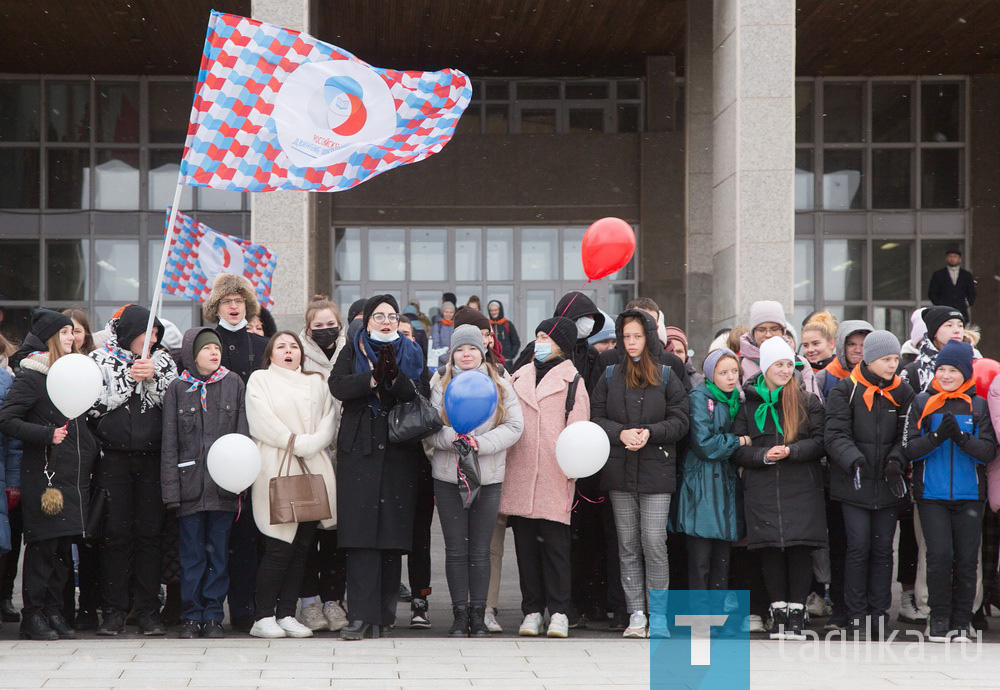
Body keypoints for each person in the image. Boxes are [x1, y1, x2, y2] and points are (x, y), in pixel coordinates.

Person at [329, 295, 428, 640]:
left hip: (399, 452)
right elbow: (337, 385)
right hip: (360, 450)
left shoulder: (412, 351)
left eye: (392, 316)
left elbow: (421, 393)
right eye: (379, 316)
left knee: (390, 537)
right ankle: (359, 617)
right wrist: (371, 380)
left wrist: (396, 379)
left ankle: (384, 617)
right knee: (359, 539)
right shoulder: (352, 348)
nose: (386, 321)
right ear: (368, 320)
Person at [591, 310, 689, 638]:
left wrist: (650, 432)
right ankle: (636, 613)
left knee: (654, 541)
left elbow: (680, 420)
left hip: (656, 470)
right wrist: (620, 433)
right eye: (626, 336)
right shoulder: (608, 375)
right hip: (619, 471)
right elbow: (596, 417)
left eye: (637, 336)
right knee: (628, 544)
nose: (631, 343)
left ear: (648, 337)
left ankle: (658, 614)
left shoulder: (666, 374)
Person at [0, 309, 97, 640]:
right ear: (52, 338)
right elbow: (8, 420)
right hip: (44, 475)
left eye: (74, 332)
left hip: (73, 474)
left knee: (61, 550)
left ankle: (54, 611)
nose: (73, 338)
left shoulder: (73, 374)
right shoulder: (32, 376)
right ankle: (34, 615)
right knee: (42, 547)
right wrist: (46, 434)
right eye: (67, 333)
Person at [426, 325, 524, 637]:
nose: (466, 354)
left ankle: (479, 614)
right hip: (448, 476)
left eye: (471, 348)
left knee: (481, 550)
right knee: (455, 549)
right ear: (452, 352)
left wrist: (481, 443)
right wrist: (456, 438)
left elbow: (515, 425)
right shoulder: (440, 382)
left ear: (481, 350)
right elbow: (428, 427)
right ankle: (458, 614)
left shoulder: (500, 381)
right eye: (459, 349)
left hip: (488, 476)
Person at [89, 305, 177, 636]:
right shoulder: (101, 359)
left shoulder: (163, 360)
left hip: (151, 458)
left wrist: (153, 377)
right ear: (130, 332)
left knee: (149, 534)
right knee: (115, 534)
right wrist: (129, 377)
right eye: (146, 332)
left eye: (156, 333)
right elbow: (93, 405)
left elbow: (174, 403)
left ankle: (148, 609)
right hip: (112, 458)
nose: (152, 338)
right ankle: (113, 609)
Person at [733, 336, 826, 640]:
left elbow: (820, 441)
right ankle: (779, 611)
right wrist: (761, 455)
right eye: (779, 364)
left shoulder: (807, 400)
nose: (786, 370)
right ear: (765, 367)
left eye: (789, 364)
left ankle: (797, 613)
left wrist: (791, 451)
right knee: (770, 548)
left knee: (799, 548)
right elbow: (737, 447)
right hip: (762, 487)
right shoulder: (747, 404)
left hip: (801, 485)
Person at [245, 332, 338, 639]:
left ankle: (286, 612)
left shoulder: (317, 382)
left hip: (313, 466)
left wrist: (312, 443)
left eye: (294, 346)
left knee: (302, 547)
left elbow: (329, 419)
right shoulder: (260, 380)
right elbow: (262, 420)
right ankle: (263, 615)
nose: (289, 351)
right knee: (278, 546)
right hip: (276, 464)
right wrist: (294, 442)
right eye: (281, 346)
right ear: (270, 353)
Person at [903, 340, 996, 642]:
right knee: (939, 556)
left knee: (968, 559)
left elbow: (987, 451)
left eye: (952, 370)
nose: (945, 375)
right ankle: (938, 618)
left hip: (970, 495)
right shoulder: (921, 401)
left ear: (965, 372)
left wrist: (961, 438)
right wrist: (936, 436)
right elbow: (910, 450)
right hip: (932, 495)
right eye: (941, 369)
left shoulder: (977, 405)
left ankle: (962, 621)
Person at [824, 331, 915, 639]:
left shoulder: (903, 392)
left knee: (882, 550)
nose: (893, 365)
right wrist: (853, 459)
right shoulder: (845, 389)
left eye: (895, 359)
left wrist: (895, 460)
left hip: (888, 485)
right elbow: (835, 434)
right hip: (855, 482)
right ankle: (855, 614)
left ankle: (879, 615)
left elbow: (907, 433)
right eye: (886, 360)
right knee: (858, 547)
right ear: (870, 359)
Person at [500, 317, 587, 639]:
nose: (539, 342)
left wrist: (572, 470)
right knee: (526, 548)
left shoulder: (573, 381)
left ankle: (560, 611)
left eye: (545, 337)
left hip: (555, 474)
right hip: (521, 473)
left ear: (560, 343)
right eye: (536, 336)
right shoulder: (517, 376)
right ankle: (532, 610)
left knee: (555, 548)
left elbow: (579, 432)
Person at [161, 328, 247, 639]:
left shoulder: (233, 383)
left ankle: (212, 615)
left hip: (223, 488)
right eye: (206, 348)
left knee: (218, 555)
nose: (214, 352)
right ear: (190, 353)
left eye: (217, 347)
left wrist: (239, 481)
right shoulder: (177, 388)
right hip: (190, 488)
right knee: (192, 555)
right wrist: (171, 491)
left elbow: (242, 435)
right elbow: (169, 443)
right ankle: (190, 614)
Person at [202, 273, 269, 632]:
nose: (233, 306)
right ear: (216, 306)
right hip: (213, 451)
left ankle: (247, 607)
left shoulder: (262, 347)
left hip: (256, 448)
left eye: (239, 301)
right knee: (215, 536)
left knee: (250, 536)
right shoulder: (202, 343)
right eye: (227, 301)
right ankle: (210, 608)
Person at [293, 296, 349, 634]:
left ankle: (333, 600)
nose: (326, 331)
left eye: (331, 325)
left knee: (337, 537)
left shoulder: (352, 349)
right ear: (308, 328)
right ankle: (309, 603)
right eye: (319, 326)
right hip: (310, 455)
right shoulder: (297, 353)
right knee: (307, 534)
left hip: (345, 458)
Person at [675, 348, 746, 595]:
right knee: (700, 559)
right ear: (710, 374)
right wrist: (739, 442)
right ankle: (699, 616)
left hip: (726, 484)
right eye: (723, 372)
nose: (730, 377)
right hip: (701, 484)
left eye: (734, 371)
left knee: (722, 560)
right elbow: (704, 444)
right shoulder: (699, 397)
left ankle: (715, 617)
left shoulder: (739, 398)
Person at [737, 300, 822, 401]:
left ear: (783, 331)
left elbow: (814, 404)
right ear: (753, 333)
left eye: (774, 328)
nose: (768, 334)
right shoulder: (740, 365)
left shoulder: (800, 363)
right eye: (761, 329)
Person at [0, 357, 22, 626]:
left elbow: (12, 439)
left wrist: (14, 482)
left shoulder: (5, 380)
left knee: (5, 545)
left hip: (2, 473)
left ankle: (4, 596)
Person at [901, 306, 966, 393]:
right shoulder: (913, 372)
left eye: (960, 325)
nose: (957, 330)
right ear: (934, 331)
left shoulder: (974, 363)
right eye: (949, 325)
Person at [817, 320, 873, 398]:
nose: (857, 350)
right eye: (851, 344)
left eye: (863, 345)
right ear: (841, 346)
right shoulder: (824, 378)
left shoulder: (882, 376)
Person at [927, 247, 976, 321]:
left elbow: (972, 292)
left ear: (960, 259)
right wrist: (940, 305)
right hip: (944, 311)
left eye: (955, 256)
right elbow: (932, 293)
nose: (952, 259)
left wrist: (967, 303)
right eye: (950, 256)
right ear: (946, 258)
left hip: (961, 310)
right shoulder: (938, 274)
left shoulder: (966, 275)